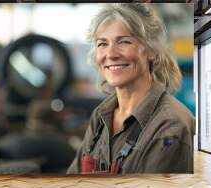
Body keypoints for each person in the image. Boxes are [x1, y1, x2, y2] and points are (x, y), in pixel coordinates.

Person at [67, 3, 195, 174]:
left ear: (151, 50)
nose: (111, 54)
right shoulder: (101, 116)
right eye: (102, 44)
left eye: (124, 42)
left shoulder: (170, 126)